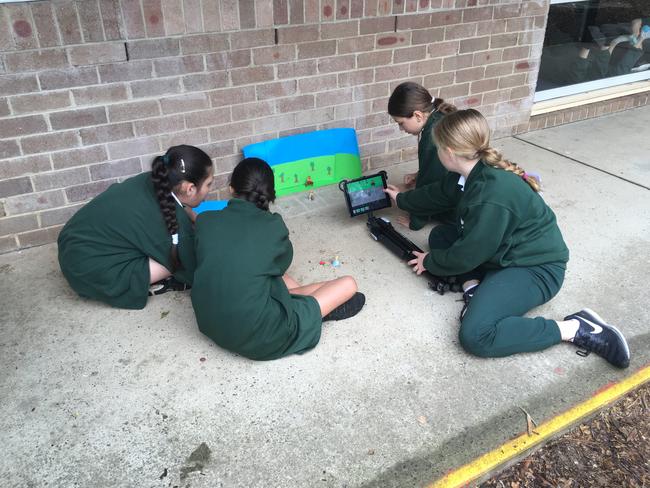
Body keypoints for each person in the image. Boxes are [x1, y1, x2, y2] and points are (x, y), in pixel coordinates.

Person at [384, 109, 630, 368]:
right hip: (503, 251)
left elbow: (469, 253)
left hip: (535, 268)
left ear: (449, 152)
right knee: (442, 235)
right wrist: (401, 199)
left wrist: (432, 262)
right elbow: (438, 194)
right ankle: (474, 289)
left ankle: (575, 328)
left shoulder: (491, 194)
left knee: (476, 335)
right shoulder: (470, 172)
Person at [191, 157, 365, 361]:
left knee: (263, 274)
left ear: (231, 189)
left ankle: (307, 307)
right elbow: (282, 265)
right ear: (270, 194)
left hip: (211, 324)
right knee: (348, 285)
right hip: (261, 337)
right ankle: (314, 314)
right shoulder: (273, 226)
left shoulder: (205, 221)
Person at [58, 145, 214, 309]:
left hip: (73, 245)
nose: (210, 189)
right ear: (190, 188)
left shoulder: (157, 180)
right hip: (87, 270)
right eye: (208, 184)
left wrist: (193, 216)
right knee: (176, 259)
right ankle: (138, 279)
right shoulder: (169, 225)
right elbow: (194, 270)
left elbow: (180, 207)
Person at [387, 81, 457, 230]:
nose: (400, 128)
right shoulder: (439, 116)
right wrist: (419, 174)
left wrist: (415, 219)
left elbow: (430, 184)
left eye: (401, 123)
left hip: (459, 209)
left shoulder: (431, 137)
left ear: (418, 115)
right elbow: (439, 167)